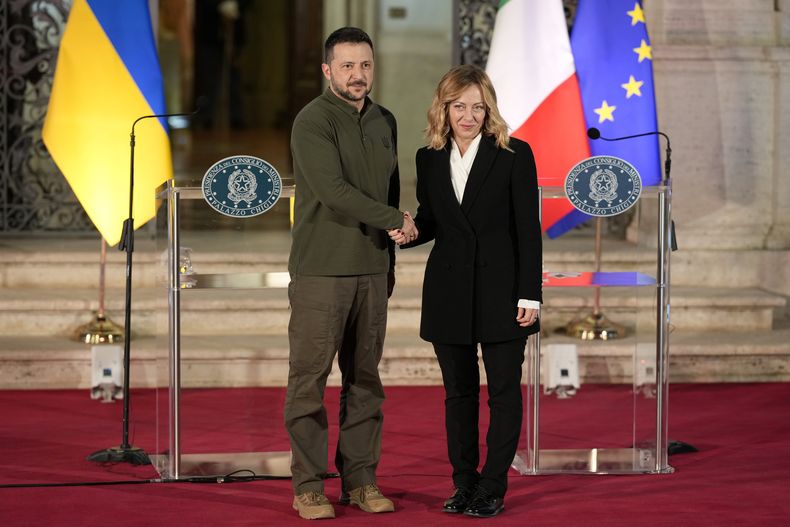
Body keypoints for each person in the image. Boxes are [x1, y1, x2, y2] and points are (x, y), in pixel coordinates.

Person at [391, 64, 542, 518]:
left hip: (503, 293)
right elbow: (434, 218)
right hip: (449, 291)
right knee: (458, 395)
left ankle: (493, 487)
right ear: (445, 107)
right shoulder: (428, 157)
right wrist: (411, 232)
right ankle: (465, 483)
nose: (469, 115)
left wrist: (529, 295)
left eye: (478, 107)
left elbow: (527, 230)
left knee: (503, 394)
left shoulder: (515, 153)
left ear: (488, 109)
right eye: (460, 106)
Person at [285, 26, 417, 520]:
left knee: (365, 381)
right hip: (322, 270)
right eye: (346, 66)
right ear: (327, 70)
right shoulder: (312, 121)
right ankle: (309, 487)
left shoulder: (385, 120)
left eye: (364, 65)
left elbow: (388, 192)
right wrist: (396, 222)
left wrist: (391, 256)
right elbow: (334, 190)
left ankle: (361, 481)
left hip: (371, 269)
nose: (357, 75)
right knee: (310, 381)